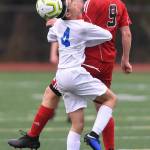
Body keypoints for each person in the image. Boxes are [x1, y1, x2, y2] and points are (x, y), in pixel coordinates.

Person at [8, 0, 132, 149]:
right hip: (103, 60)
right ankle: (99, 139)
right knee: (104, 105)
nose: (74, 2)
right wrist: (125, 59)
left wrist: (58, 21)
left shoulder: (83, 10)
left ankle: (33, 136)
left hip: (84, 64)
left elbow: (55, 34)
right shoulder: (119, 5)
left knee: (72, 117)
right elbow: (120, 33)